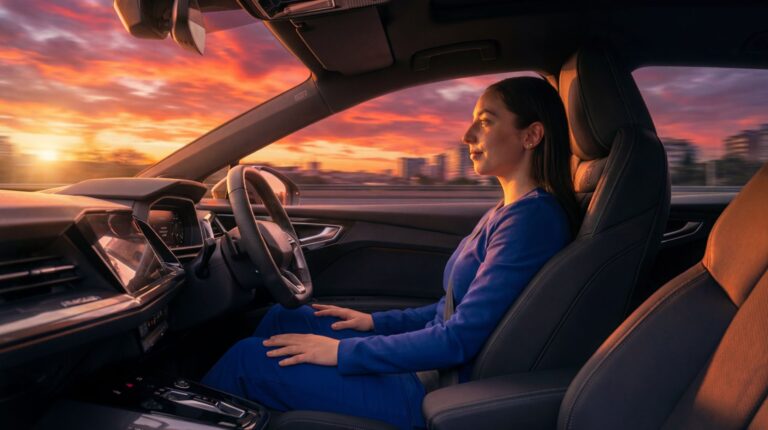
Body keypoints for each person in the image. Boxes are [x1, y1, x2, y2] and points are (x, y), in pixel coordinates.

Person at [201, 76, 580, 429]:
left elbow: (459, 338)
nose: (467, 135)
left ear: (531, 135)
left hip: (432, 386)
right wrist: (372, 323)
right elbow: (448, 309)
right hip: (431, 364)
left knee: (246, 362)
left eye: (485, 121)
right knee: (284, 319)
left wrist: (341, 354)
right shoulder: (508, 211)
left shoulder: (531, 222)